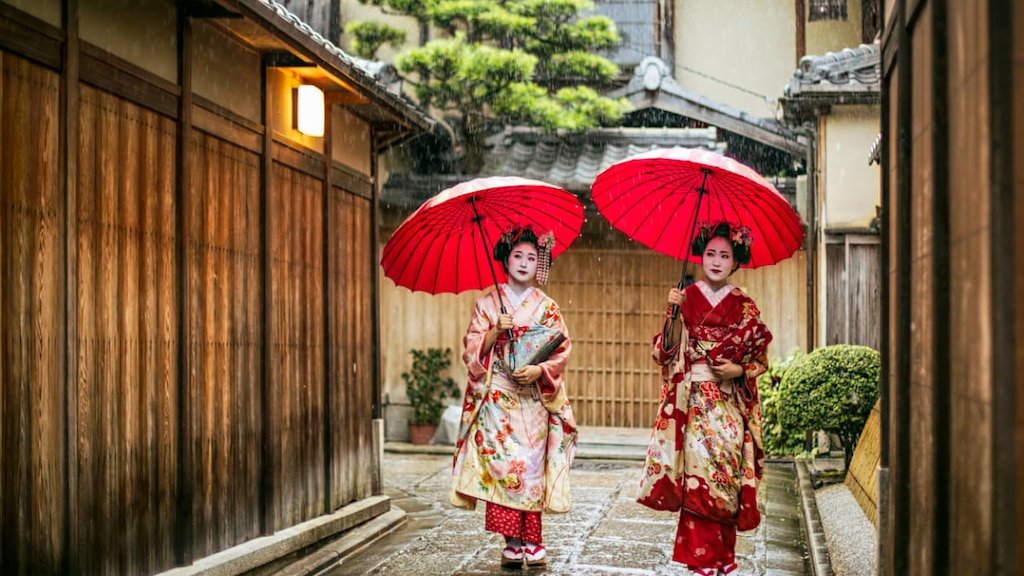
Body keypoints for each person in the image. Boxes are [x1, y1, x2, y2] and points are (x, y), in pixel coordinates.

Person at [637, 222, 773, 576]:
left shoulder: (745, 304)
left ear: (735, 262)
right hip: (694, 403)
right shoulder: (686, 296)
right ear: (700, 256)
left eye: (724, 255)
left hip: (728, 403)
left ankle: (724, 557)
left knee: (726, 476)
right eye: (710, 253)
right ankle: (701, 561)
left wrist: (737, 370)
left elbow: (760, 359)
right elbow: (664, 353)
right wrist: (673, 314)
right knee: (698, 476)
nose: (716, 261)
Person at [449, 226, 577, 569]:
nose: (523, 263)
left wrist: (539, 370)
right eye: (517, 255)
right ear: (505, 259)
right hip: (498, 399)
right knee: (504, 467)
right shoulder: (487, 303)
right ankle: (512, 541)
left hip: (532, 399)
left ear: (539, 264)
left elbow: (561, 349)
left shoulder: (547, 307)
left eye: (531, 258)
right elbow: (471, 350)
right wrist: (494, 332)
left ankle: (533, 540)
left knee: (530, 469)